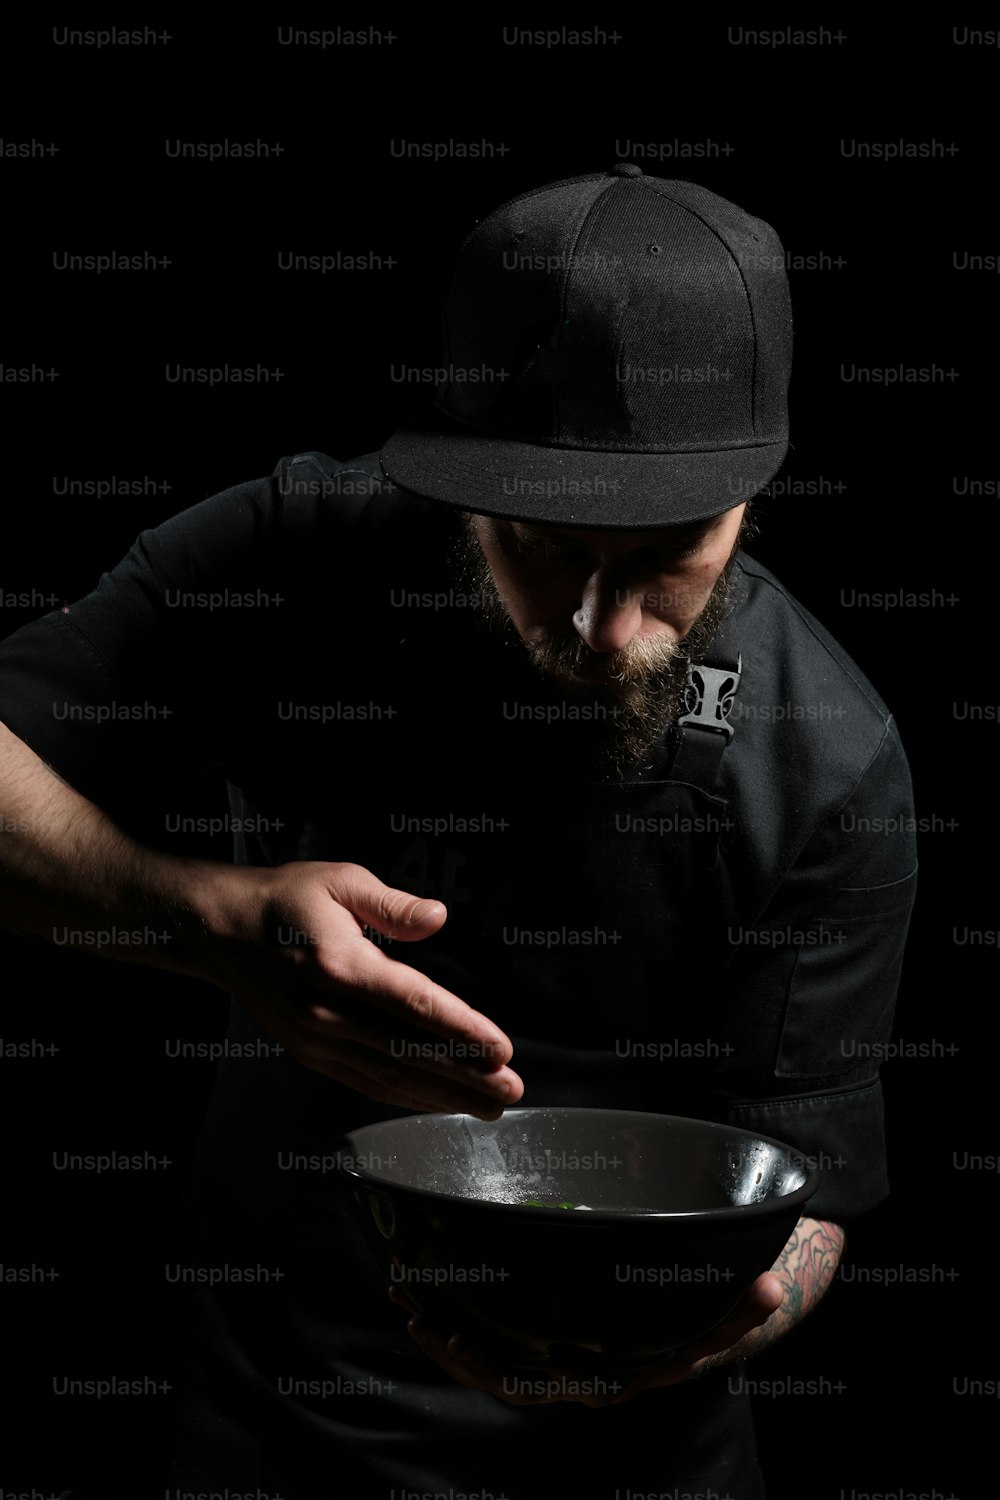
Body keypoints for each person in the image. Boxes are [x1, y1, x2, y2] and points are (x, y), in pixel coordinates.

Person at [0, 166, 917, 1498]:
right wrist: (207, 926)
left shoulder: (832, 758)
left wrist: (732, 1315)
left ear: (752, 498)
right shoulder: (302, 547)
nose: (603, 631)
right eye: (547, 550)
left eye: (668, 559)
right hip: (277, 1427)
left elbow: (812, 1186)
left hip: (645, 1461)